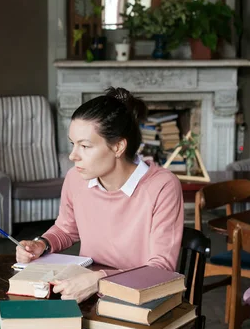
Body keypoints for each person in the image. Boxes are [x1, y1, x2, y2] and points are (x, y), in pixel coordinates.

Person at [15, 87, 184, 304]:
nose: (73, 155)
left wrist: (98, 280)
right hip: (84, 292)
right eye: (72, 144)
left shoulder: (162, 186)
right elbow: (66, 229)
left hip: (140, 300)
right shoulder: (76, 179)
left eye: (85, 146)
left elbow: (160, 270)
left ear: (117, 147)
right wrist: (42, 244)